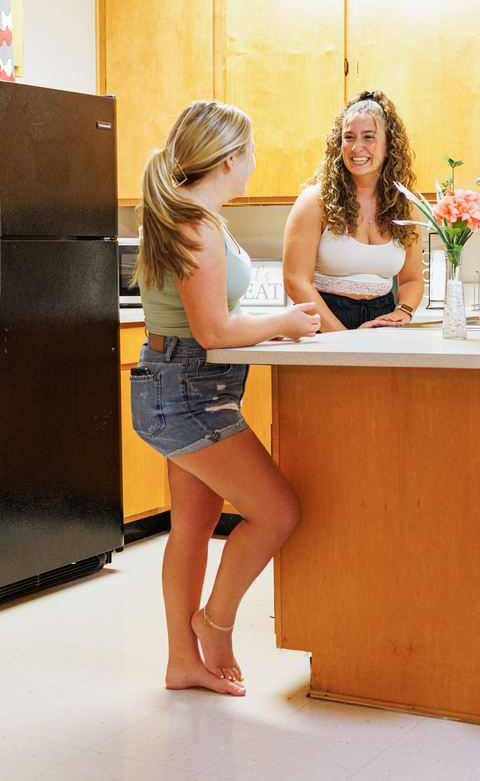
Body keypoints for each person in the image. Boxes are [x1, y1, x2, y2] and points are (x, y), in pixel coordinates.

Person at [131, 100, 321, 696]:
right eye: (252, 151)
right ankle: (214, 625)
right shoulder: (196, 225)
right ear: (231, 158)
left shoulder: (197, 218)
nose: (255, 162)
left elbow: (216, 318)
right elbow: (213, 331)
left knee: (193, 523)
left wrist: (275, 320)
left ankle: (181, 662)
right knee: (278, 511)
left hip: (186, 384)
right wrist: (283, 321)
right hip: (183, 390)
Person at [283, 91, 425, 331]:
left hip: (382, 325)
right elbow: (295, 282)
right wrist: (345, 340)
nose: (356, 147)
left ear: (390, 145)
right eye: (348, 137)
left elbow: (412, 279)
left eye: (368, 137)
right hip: (324, 324)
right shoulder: (315, 201)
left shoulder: (405, 206)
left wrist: (404, 311)